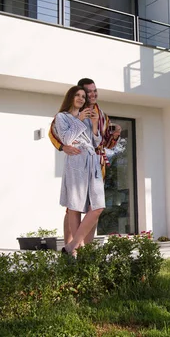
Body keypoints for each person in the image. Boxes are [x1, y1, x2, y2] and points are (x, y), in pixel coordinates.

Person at [49, 78, 121, 248]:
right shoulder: (66, 115)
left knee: (94, 208)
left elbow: (104, 143)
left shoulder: (102, 116)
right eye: (87, 92)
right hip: (77, 160)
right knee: (73, 207)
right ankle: (71, 247)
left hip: (97, 163)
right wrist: (62, 147)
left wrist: (115, 134)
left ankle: (83, 249)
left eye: (94, 91)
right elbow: (54, 133)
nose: (92, 94)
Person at [53, 85, 105, 255]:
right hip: (75, 160)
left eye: (83, 96)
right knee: (74, 206)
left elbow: (96, 143)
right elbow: (66, 139)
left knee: (97, 206)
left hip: (91, 160)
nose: (81, 98)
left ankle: (71, 246)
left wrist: (95, 124)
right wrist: (80, 119)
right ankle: (77, 251)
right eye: (78, 95)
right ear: (70, 97)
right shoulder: (62, 117)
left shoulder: (88, 118)